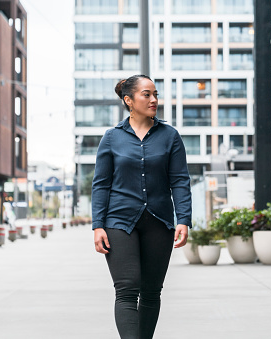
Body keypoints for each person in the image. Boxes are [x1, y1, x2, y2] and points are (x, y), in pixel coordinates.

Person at [92, 74, 192, 339]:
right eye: (146, 94)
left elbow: (180, 180)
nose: (153, 100)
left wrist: (183, 219)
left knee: (151, 291)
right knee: (126, 289)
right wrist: (97, 225)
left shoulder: (170, 136)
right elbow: (101, 184)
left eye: (155, 94)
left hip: (159, 221)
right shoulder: (112, 138)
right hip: (119, 221)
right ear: (129, 100)